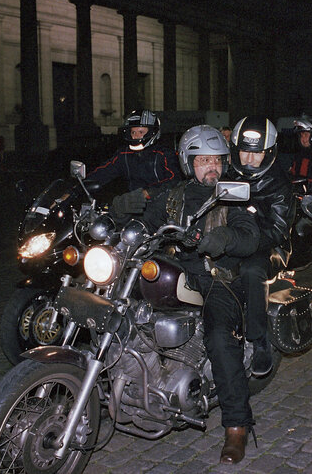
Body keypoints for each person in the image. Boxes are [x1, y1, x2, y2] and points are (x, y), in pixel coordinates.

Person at [111, 125, 259, 464]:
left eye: (217, 160)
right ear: (187, 162)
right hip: (171, 272)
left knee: (221, 339)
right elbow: (144, 226)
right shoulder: (172, 195)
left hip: (216, 278)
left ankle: (237, 425)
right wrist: (119, 212)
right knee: (121, 305)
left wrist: (225, 239)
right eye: (203, 159)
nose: (212, 167)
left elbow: (250, 234)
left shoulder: (231, 195)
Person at [228, 116, 295, 376]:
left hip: (269, 248)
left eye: (256, 154)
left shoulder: (278, 184)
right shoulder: (228, 174)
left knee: (251, 271)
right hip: (233, 240)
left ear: (269, 153)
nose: (248, 160)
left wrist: (244, 241)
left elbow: (278, 230)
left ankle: (259, 340)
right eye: (244, 151)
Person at [87, 109, 180, 196]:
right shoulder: (124, 154)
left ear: (152, 132)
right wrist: (82, 185)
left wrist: (149, 192)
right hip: (134, 204)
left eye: (141, 132)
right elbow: (105, 171)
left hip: (163, 203)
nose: (136, 136)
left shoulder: (164, 154)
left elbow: (175, 180)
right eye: (133, 132)